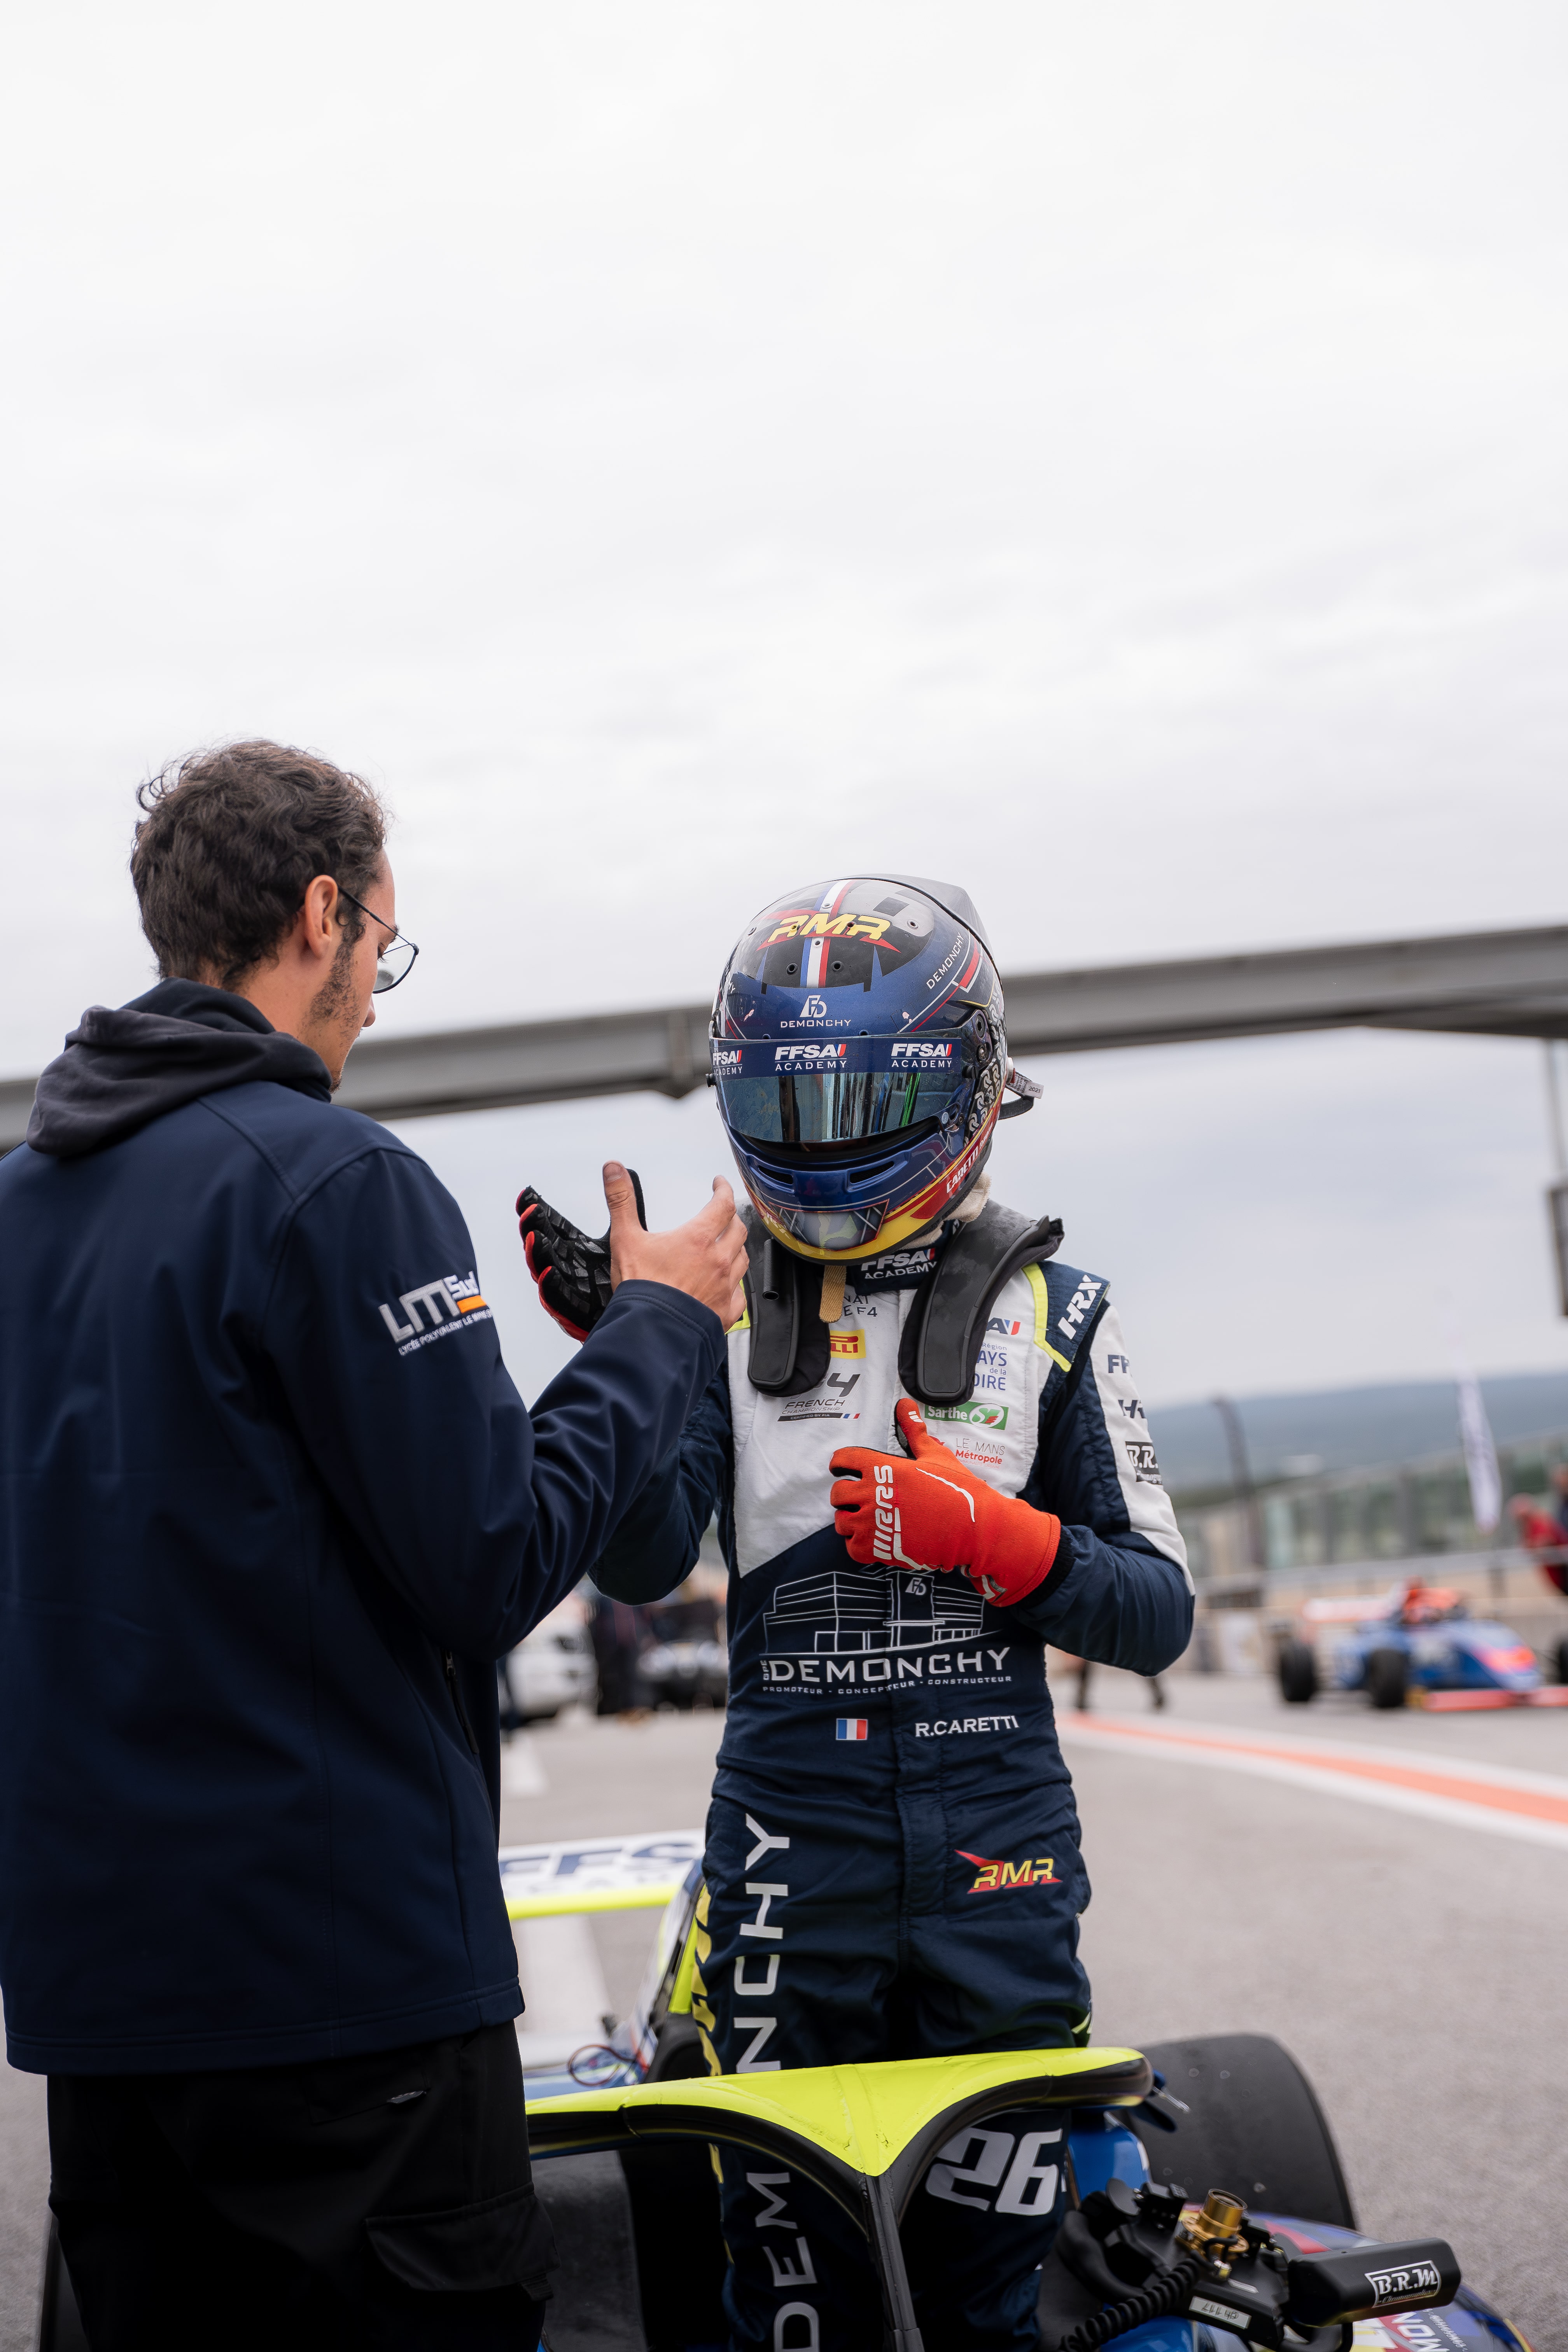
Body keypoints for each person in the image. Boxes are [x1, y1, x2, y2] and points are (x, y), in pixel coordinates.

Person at [0, 741, 747, 2352]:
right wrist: (660, 1326)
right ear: (322, 913)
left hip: (104, 2015)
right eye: (384, 948)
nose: (379, 992)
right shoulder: (338, 1182)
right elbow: (489, 1559)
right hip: (345, 2019)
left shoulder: (18, 1212)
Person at [518, 875, 1193, 2352]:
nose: (823, 1143)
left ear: (967, 1084)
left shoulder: (1059, 1313)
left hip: (996, 1857)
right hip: (780, 1855)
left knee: (992, 2300)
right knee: (795, 2298)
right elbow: (635, 1566)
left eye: (866, 1100)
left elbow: (1158, 1614)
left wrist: (998, 1542)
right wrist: (640, 1346)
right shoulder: (717, 1305)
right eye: (790, 1102)